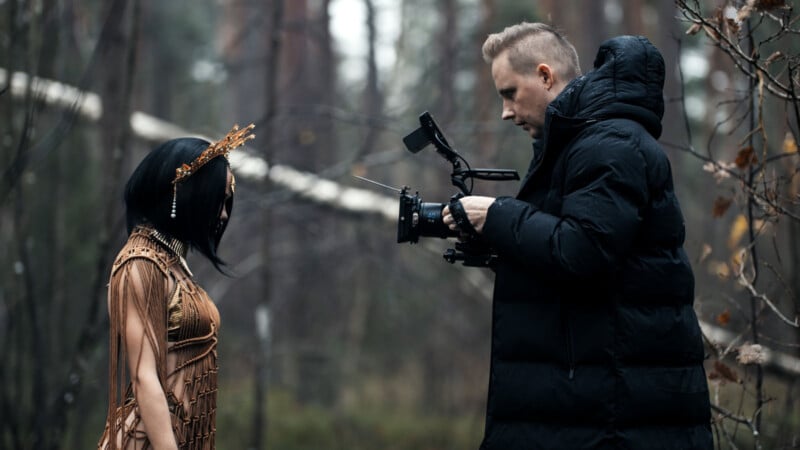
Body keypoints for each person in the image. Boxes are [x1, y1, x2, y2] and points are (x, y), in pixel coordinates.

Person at [442, 23, 712, 449]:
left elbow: (581, 250)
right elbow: (571, 262)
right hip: (594, 405)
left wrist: (497, 214)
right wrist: (493, 240)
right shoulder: (577, 145)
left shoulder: (610, 143)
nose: (506, 112)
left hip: (613, 419)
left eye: (510, 93)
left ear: (546, 77)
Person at [98, 124, 254, 450]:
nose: (223, 214)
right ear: (184, 193)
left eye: (227, 203)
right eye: (217, 200)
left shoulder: (171, 262)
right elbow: (144, 377)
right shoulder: (140, 264)